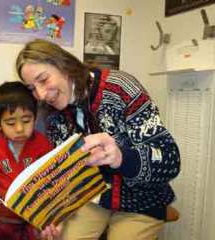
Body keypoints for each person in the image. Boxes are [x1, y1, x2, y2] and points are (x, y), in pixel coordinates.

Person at [15, 39, 181, 240]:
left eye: (44, 79)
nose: (41, 95)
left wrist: (121, 157)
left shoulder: (120, 88)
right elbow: (68, 174)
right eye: (32, 88)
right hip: (93, 197)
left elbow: (170, 160)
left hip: (143, 199)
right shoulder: (54, 115)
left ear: (64, 66)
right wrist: (55, 215)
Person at [0, 81, 54, 240]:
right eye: (11, 123)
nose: (20, 128)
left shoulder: (42, 145)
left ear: (35, 118)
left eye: (26, 120)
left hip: (34, 213)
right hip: (3, 216)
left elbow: (53, 179)